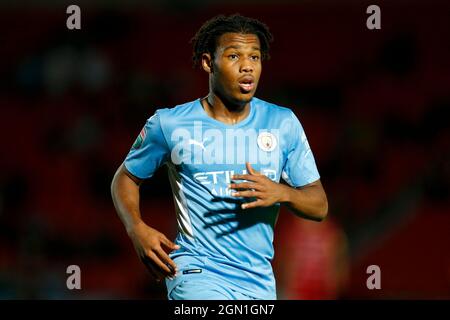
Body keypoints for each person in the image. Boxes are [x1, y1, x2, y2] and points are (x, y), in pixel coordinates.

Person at [111, 14, 328, 300]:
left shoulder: (282, 123)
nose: (247, 66)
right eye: (234, 56)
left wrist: (281, 192)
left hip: (258, 282)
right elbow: (125, 178)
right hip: (196, 272)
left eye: (255, 57)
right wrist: (136, 228)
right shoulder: (169, 125)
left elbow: (319, 205)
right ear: (207, 62)